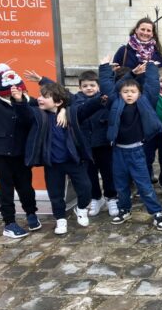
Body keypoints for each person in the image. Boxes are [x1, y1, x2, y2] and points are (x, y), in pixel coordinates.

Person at [25, 68, 119, 218]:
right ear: (80, 87)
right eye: (85, 86)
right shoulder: (75, 100)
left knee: (108, 173)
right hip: (85, 147)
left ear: (98, 86)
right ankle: (96, 198)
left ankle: (111, 197)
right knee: (90, 176)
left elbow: (111, 93)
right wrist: (42, 80)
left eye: (92, 85)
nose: (89, 88)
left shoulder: (103, 98)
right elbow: (60, 94)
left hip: (103, 144)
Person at [13, 82, 97, 235]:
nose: (39, 99)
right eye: (40, 95)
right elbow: (25, 113)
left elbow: (84, 106)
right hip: (52, 164)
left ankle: (81, 209)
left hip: (74, 161)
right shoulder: (38, 115)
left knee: (86, 189)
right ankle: (60, 219)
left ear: (58, 102)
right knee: (55, 195)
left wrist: (65, 110)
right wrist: (19, 100)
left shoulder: (71, 113)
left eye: (45, 97)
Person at [98, 56, 162, 231]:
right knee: (121, 185)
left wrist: (151, 67)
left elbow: (152, 86)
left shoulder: (145, 102)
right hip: (118, 152)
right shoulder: (115, 102)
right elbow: (107, 86)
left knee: (144, 186)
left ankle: (156, 212)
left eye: (133, 91)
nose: (129, 94)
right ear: (120, 93)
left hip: (136, 152)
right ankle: (124, 209)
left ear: (139, 93)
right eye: (125, 91)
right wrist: (104, 67)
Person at [0, 64, 40, 238]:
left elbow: (30, 119)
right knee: (5, 190)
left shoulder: (29, 102)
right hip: (3, 156)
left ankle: (31, 213)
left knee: (26, 187)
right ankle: (9, 223)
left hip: (22, 154)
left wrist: (20, 102)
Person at [145, 67, 162, 190]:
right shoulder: (152, 95)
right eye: (161, 81)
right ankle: (147, 179)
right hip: (151, 132)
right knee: (148, 157)